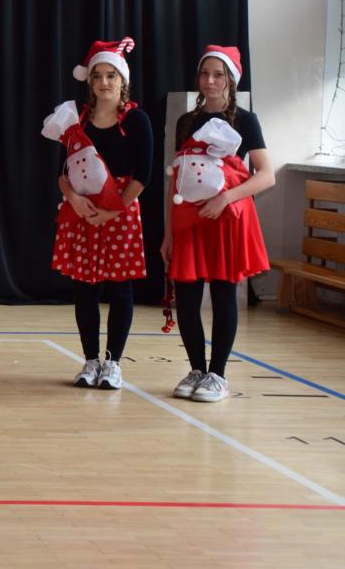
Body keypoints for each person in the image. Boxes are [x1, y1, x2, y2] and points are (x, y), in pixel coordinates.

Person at [161, 46, 272, 403]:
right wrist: (168, 234)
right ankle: (196, 369)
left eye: (218, 75)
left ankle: (217, 375)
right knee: (187, 299)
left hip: (225, 221)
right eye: (204, 73)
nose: (209, 81)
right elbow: (177, 181)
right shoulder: (186, 122)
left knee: (223, 296)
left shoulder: (246, 120)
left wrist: (225, 198)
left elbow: (266, 175)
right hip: (189, 223)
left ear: (230, 80)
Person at [42, 38, 152, 390]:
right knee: (85, 290)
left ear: (122, 80)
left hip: (119, 211)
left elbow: (143, 176)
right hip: (83, 213)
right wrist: (73, 199)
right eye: (97, 76)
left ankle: (113, 363)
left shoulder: (136, 120)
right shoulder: (78, 121)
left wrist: (110, 211)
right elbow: (62, 173)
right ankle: (90, 361)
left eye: (111, 76)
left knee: (120, 290)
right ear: (89, 81)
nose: (104, 82)